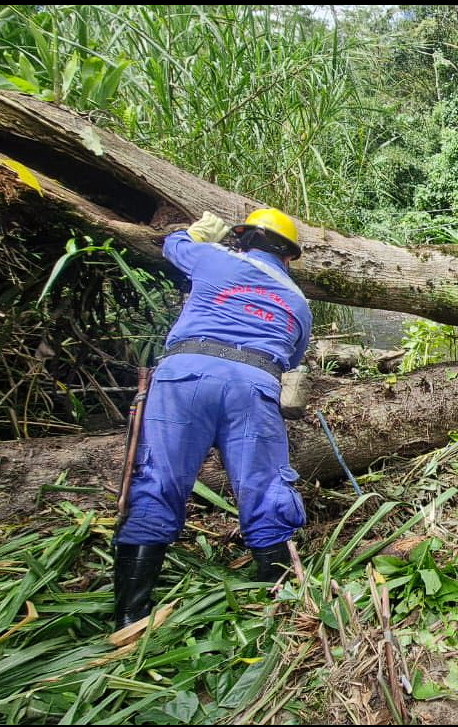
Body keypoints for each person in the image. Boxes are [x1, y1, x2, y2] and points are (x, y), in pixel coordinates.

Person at [112, 208, 313, 631]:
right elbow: (292, 357)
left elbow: (174, 246)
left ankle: (130, 615)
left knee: (159, 480)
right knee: (264, 487)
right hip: (253, 385)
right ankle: (274, 603)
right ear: (289, 257)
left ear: (241, 240)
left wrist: (200, 232)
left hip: (184, 376)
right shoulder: (297, 301)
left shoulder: (215, 259)